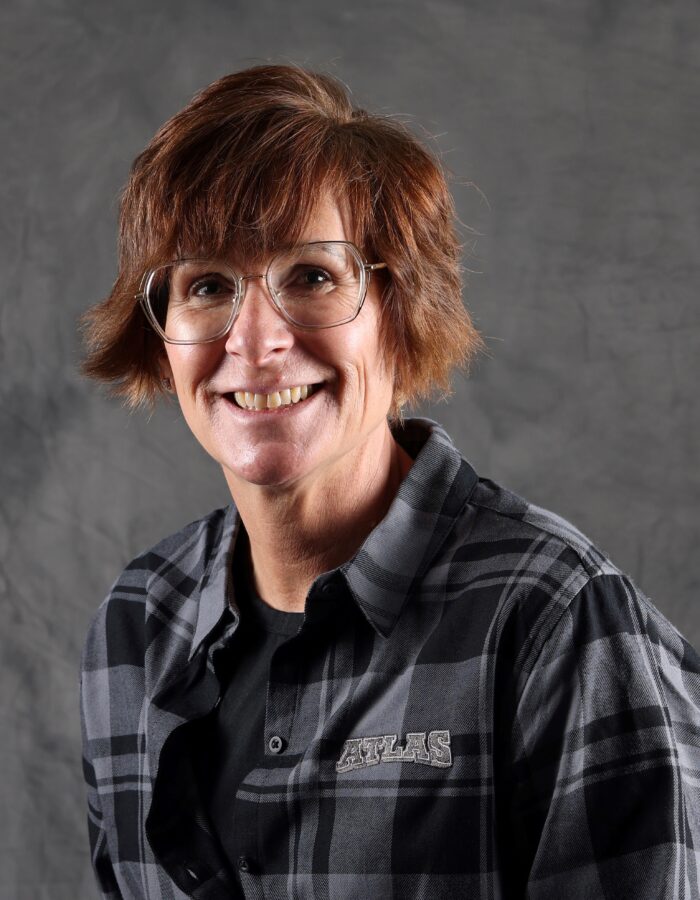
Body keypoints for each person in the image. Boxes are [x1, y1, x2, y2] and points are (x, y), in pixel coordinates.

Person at [79, 65, 700, 900]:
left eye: (312, 275)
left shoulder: (553, 619)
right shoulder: (135, 628)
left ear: (402, 315)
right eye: (208, 285)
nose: (255, 341)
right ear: (161, 338)